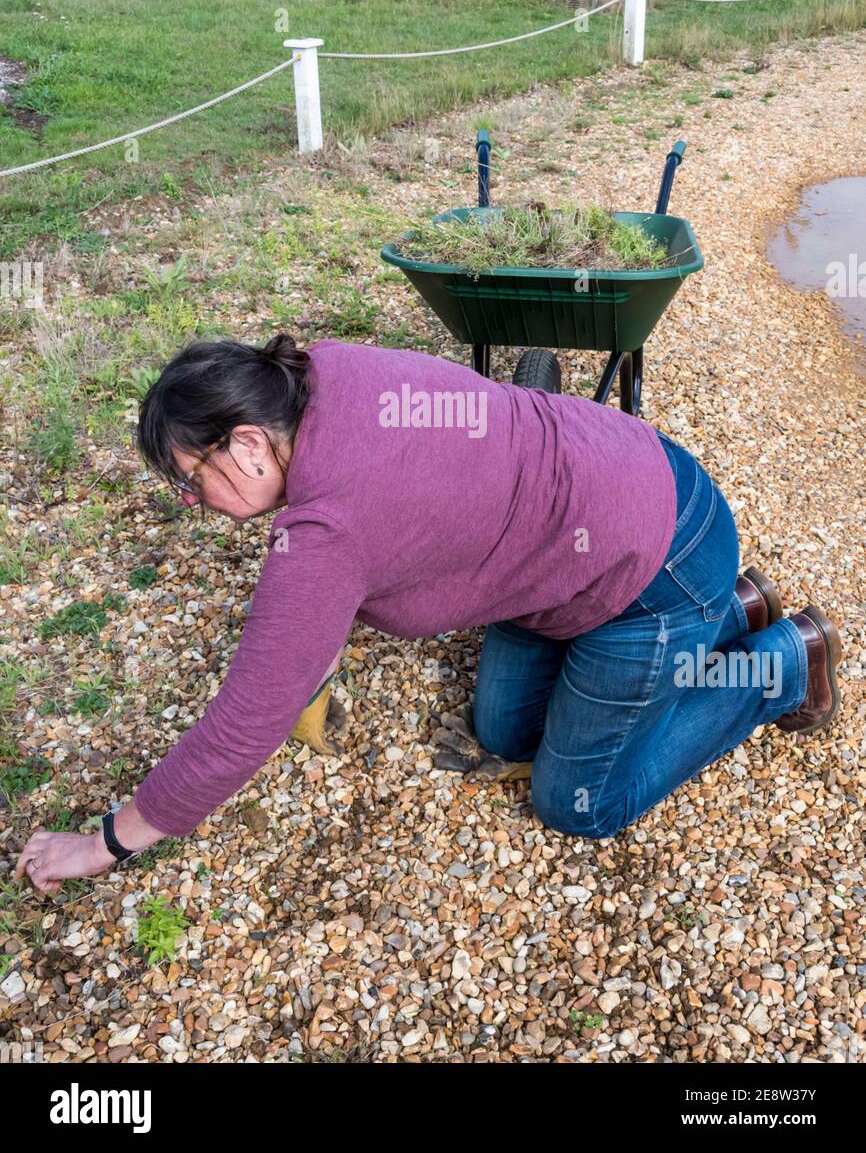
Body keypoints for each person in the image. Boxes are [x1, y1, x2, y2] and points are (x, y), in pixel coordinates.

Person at [15, 335, 842, 893]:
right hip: (609, 494)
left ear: (247, 443)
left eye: (193, 478)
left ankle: (779, 660)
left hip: (653, 568)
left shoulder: (327, 533)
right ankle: (734, 604)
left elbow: (244, 723)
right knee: (502, 732)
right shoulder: (318, 368)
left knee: (579, 802)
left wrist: (107, 841)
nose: (195, 502)